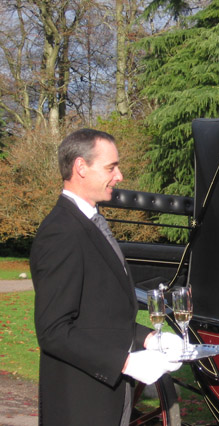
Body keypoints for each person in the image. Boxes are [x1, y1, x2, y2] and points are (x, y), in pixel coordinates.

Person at [31, 129, 182, 425]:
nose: (120, 175)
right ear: (81, 167)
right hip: (80, 404)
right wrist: (126, 362)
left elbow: (101, 316)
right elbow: (54, 331)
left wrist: (150, 339)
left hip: (108, 398)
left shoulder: (89, 223)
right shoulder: (61, 232)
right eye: (111, 167)